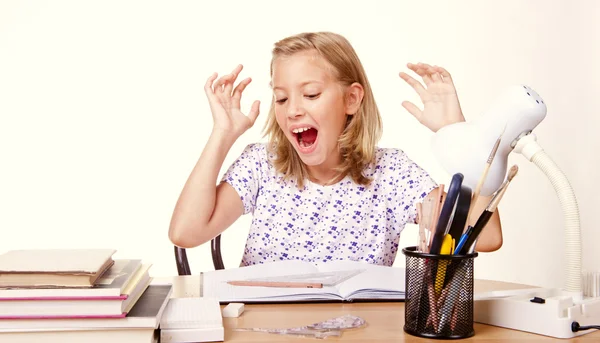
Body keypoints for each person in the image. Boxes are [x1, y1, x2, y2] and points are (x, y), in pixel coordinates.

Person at [168, 32, 502, 266]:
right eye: (281, 98)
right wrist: (222, 134)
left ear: (352, 99)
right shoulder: (262, 164)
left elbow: (483, 238)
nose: (292, 109)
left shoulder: (392, 173)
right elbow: (186, 233)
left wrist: (458, 134)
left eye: (310, 94)